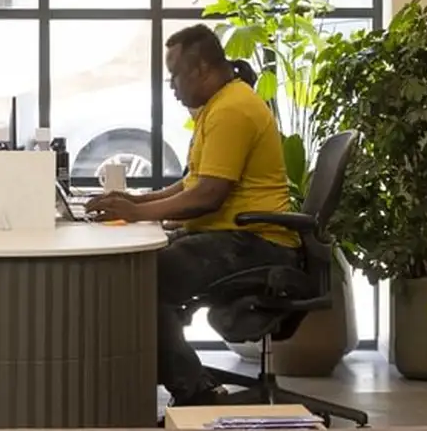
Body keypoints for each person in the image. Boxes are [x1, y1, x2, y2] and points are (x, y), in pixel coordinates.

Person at [85, 24, 300, 405]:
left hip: (259, 243)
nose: (171, 85)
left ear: (201, 69)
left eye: (175, 74)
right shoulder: (217, 106)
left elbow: (208, 196)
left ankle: (194, 391)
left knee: (144, 280)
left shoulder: (232, 109)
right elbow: (193, 182)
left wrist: (136, 213)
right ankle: (181, 378)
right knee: (137, 269)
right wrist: (138, 200)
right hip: (232, 236)